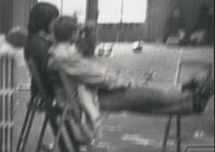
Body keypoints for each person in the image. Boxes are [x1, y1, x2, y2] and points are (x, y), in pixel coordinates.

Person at [48, 16, 213, 129]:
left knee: (147, 98)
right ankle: (193, 99)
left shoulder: (61, 51)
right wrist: (121, 81)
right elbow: (95, 76)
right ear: (72, 33)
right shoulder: (65, 55)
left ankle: (189, 96)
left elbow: (91, 71)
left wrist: (117, 77)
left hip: (91, 92)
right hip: (91, 97)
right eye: (77, 30)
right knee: (147, 97)